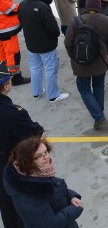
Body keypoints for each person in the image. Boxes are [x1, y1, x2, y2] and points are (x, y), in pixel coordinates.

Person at [0, 62, 44, 228]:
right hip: (10, 167)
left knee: (6, 205)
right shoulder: (13, 113)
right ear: (6, 86)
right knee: (21, 206)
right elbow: (35, 132)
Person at [3, 137, 83, 227]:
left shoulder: (37, 173)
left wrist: (71, 196)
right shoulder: (30, 193)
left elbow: (56, 188)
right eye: (38, 156)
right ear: (27, 161)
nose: (46, 157)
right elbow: (49, 224)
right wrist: (75, 209)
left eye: (45, 152)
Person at [64, 0, 108, 129]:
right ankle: (99, 114)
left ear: (86, 5)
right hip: (99, 62)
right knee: (98, 86)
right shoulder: (106, 20)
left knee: (84, 89)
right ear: (99, 6)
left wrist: (74, 57)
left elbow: (68, 42)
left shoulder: (75, 21)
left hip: (81, 65)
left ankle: (99, 117)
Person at [18, 0, 68, 102]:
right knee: (51, 69)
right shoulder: (42, 6)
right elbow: (52, 26)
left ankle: (37, 91)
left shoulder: (22, 4)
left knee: (35, 68)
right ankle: (53, 95)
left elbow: (20, 21)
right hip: (46, 44)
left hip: (31, 43)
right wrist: (55, 35)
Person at [0, 0, 30, 85]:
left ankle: (4, 75)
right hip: (6, 30)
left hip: (2, 30)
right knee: (12, 54)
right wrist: (21, 5)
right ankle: (16, 77)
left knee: (2, 54)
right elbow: (11, 9)